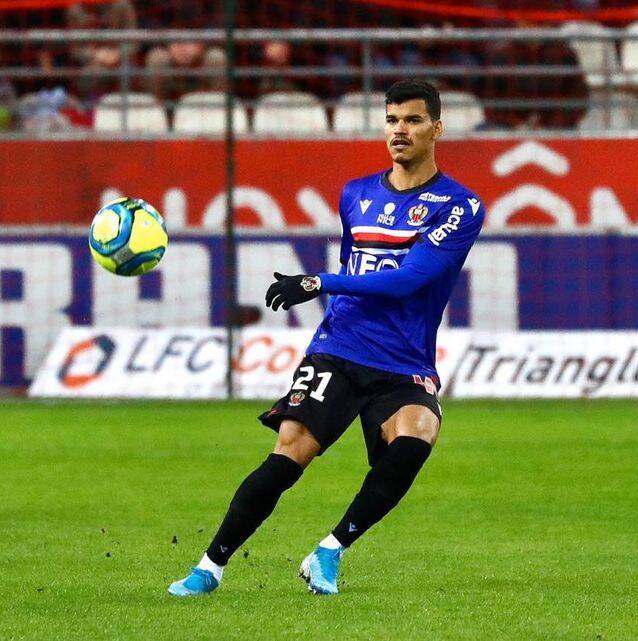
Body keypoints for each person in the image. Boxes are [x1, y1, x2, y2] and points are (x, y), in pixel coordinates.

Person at [168, 79, 485, 597]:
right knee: (290, 453)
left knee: (417, 435)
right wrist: (332, 290)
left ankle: (329, 551)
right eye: (391, 120)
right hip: (339, 347)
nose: (399, 131)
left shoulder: (460, 207)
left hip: (404, 359)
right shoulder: (355, 194)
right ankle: (209, 567)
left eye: (411, 120)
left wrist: (318, 282)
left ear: (436, 127)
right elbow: (356, 265)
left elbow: (408, 279)